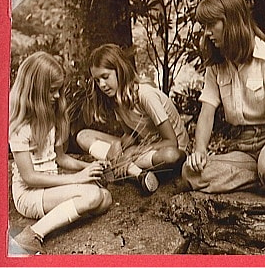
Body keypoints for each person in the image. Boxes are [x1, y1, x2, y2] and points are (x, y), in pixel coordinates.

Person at [182, 0, 265, 202]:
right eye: (204, 26)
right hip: (243, 148)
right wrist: (200, 151)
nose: (207, 33)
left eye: (212, 25)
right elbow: (206, 112)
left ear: (231, 21)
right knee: (190, 172)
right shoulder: (216, 66)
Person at [9, 52, 112, 254]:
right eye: (52, 91)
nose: (57, 96)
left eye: (58, 90)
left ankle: (58, 216)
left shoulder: (52, 117)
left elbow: (60, 158)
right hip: (29, 194)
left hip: (51, 185)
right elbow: (29, 178)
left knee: (105, 198)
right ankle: (31, 235)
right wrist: (77, 179)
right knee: (92, 194)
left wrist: (89, 167)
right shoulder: (20, 127)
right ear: (35, 90)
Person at [76, 44, 188, 194]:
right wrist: (118, 145)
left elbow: (171, 141)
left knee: (171, 156)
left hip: (166, 150)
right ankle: (136, 174)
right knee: (83, 136)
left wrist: (130, 153)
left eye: (105, 77)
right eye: (97, 80)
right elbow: (132, 134)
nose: (102, 85)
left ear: (120, 71)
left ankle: (122, 168)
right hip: (143, 149)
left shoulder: (145, 95)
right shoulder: (116, 98)